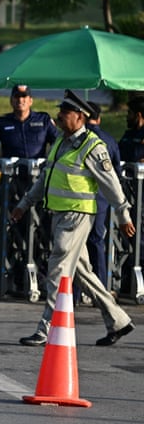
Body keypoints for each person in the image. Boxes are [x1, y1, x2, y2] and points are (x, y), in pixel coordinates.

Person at [10, 90, 136, 347]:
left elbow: (112, 185)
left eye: (64, 113)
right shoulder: (61, 142)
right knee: (83, 273)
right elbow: (46, 178)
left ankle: (45, 329)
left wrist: (123, 215)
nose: (59, 115)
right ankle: (119, 320)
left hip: (77, 217)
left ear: (79, 117)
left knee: (57, 270)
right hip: (60, 215)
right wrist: (24, 205)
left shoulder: (93, 146)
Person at [82, 102, 121, 301]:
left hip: (76, 201)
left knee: (76, 247)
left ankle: (74, 292)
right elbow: (116, 172)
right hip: (101, 201)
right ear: (99, 118)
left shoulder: (75, 139)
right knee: (97, 242)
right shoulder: (109, 140)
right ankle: (101, 289)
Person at [0, 84, 57, 161]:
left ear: (31, 101)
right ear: (11, 101)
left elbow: (58, 142)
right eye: (16, 96)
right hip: (10, 170)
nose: (20, 99)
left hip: (38, 169)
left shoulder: (43, 119)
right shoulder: (2, 122)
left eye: (24, 96)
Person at [119, 96, 144, 165]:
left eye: (129, 113)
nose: (127, 116)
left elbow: (134, 155)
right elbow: (117, 152)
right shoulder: (129, 133)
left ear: (138, 115)